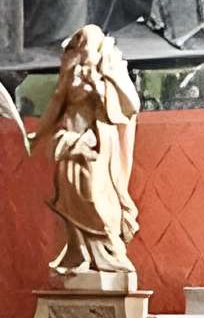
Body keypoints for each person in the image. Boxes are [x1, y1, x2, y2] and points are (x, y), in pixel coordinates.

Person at [32, 24, 141, 284]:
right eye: (77, 44)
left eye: (84, 43)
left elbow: (131, 106)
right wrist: (37, 134)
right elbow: (57, 103)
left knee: (95, 198)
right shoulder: (71, 73)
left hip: (95, 147)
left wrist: (102, 86)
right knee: (71, 200)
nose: (80, 48)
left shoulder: (110, 69)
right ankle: (79, 255)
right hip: (69, 146)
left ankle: (111, 256)